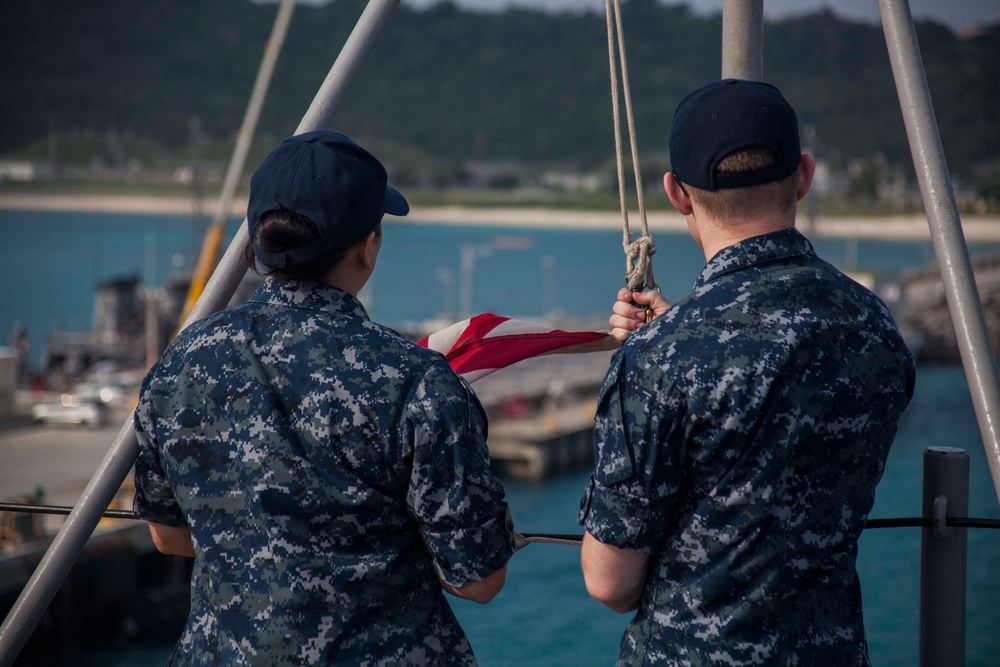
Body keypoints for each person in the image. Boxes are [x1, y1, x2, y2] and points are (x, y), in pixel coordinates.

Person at [133, 130, 516, 665]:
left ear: (255, 245)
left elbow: (169, 536)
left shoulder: (180, 362)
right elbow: (478, 579)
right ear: (369, 247)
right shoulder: (416, 382)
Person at [578, 79, 916, 666]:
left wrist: (661, 349)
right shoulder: (874, 326)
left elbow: (611, 583)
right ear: (804, 175)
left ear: (678, 195)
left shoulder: (663, 357)